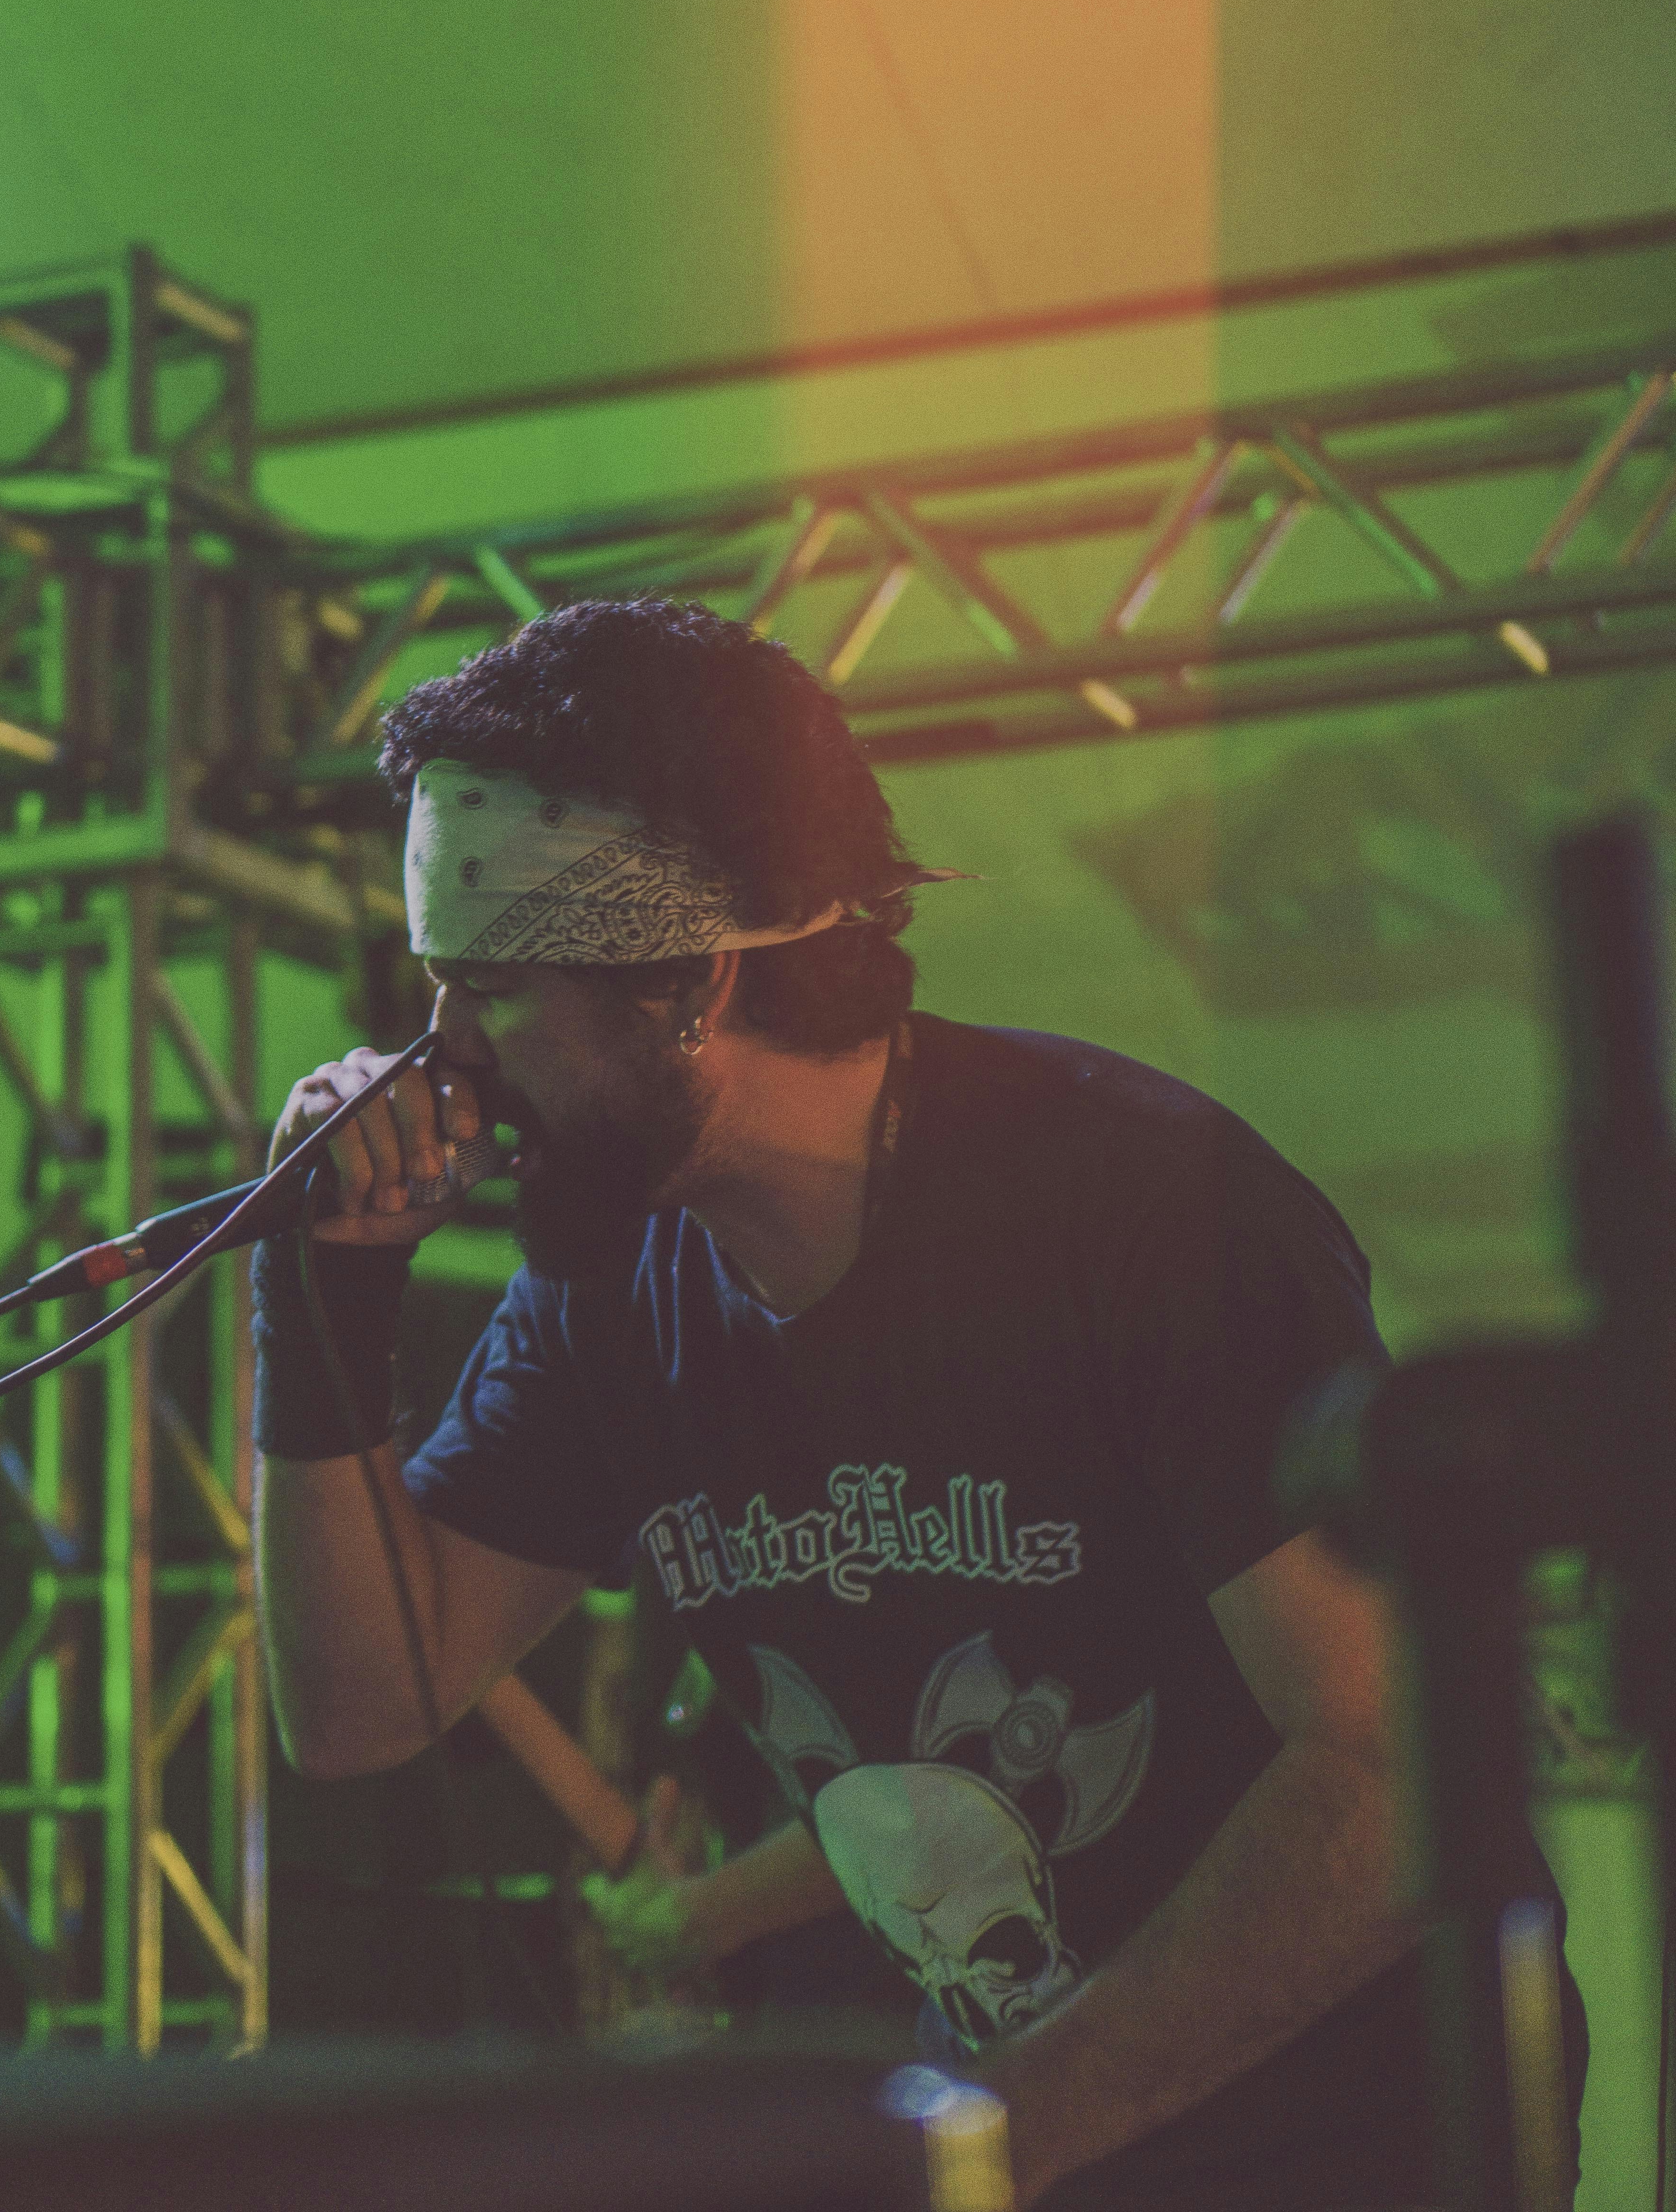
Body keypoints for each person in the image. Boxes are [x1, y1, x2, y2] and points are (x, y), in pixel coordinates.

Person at [253, 596, 1581, 2209]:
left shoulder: (1141, 1208)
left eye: (493, 986)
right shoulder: (607, 1298)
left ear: (684, 980)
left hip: (1345, 2156)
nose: (441, 1052)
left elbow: (1393, 1780)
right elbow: (360, 1708)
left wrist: (996, 2143)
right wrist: (320, 1304)